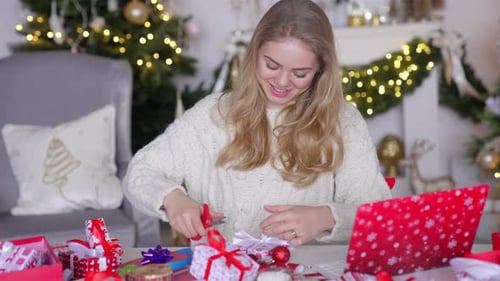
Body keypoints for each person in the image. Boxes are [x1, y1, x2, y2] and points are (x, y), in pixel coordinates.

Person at [123, 0, 392, 246]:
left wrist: (327, 218)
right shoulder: (212, 115)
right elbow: (140, 172)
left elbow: (379, 214)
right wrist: (173, 199)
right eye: (272, 65)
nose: (283, 82)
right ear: (254, 54)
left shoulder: (343, 121)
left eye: (300, 73)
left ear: (321, 71)